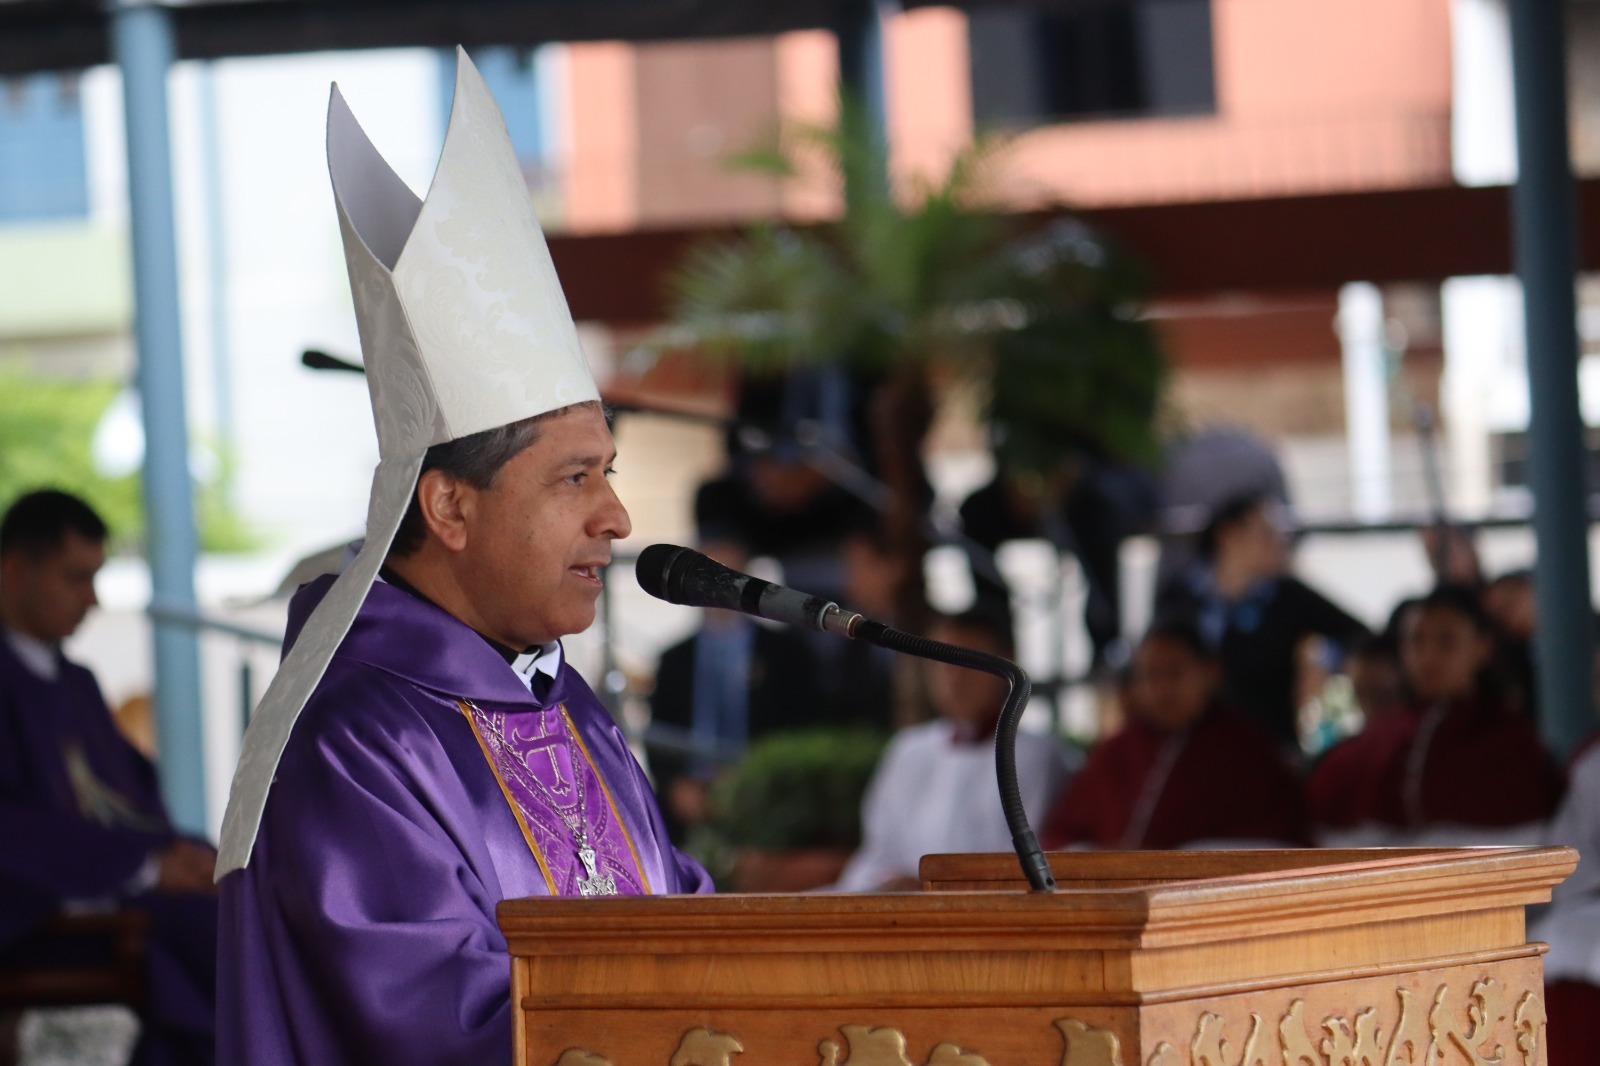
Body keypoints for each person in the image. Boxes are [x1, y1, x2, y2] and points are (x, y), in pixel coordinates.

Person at [214, 52, 711, 1066]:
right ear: (448, 503)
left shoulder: (563, 705)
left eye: (608, 471)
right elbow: (441, 1023)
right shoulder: (356, 738)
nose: (616, 516)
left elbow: (688, 922)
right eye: (575, 478)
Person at [0, 489, 216, 1066]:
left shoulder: (78, 684)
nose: (91, 600)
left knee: (247, 893)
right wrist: (146, 866)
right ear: (15, 570)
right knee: (215, 935)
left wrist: (180, 853)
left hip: (120, 899)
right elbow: (13, 829)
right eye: (75, 578)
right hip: (38, 917)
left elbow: (131, 798)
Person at [832, 609, 1076, 891]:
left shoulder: (1036, 755)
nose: (954, 680)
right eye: (942, 665)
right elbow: (877, 853)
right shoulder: (908, 749)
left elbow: (1029, 863)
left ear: (1007, 666)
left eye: (968, 664)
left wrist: (931, 886)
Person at [1307, 585, 1563, 845]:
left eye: (1446, 641)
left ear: (1483, 647)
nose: (1428, 657)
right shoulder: (1371, 743)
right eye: (1416, 641)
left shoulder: (1514, 744)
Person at [1041, 621, 1311, 850]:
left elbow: (1281, 845)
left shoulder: (1247, 750)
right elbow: (1062, 835)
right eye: (1149, 675)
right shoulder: (1114, 753)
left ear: (1210, 672)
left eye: (1175, 672)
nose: (1161, 689)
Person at [645, 537, 825, 844]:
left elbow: (801, 733)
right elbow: (658, 734)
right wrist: (676, 785)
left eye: (727, 577)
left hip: (767, 802)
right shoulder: (674, 659)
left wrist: (754, 780)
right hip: (689, 806)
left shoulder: (787, 654)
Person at [1157, 492, 1369, 750]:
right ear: (1229, 536)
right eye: (1266, 534)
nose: (1279, 543)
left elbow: (1361, 637)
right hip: (1187, 746)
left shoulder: (1288, 596)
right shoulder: (1180, 597)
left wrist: (1322, 658)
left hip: (1269, 746)